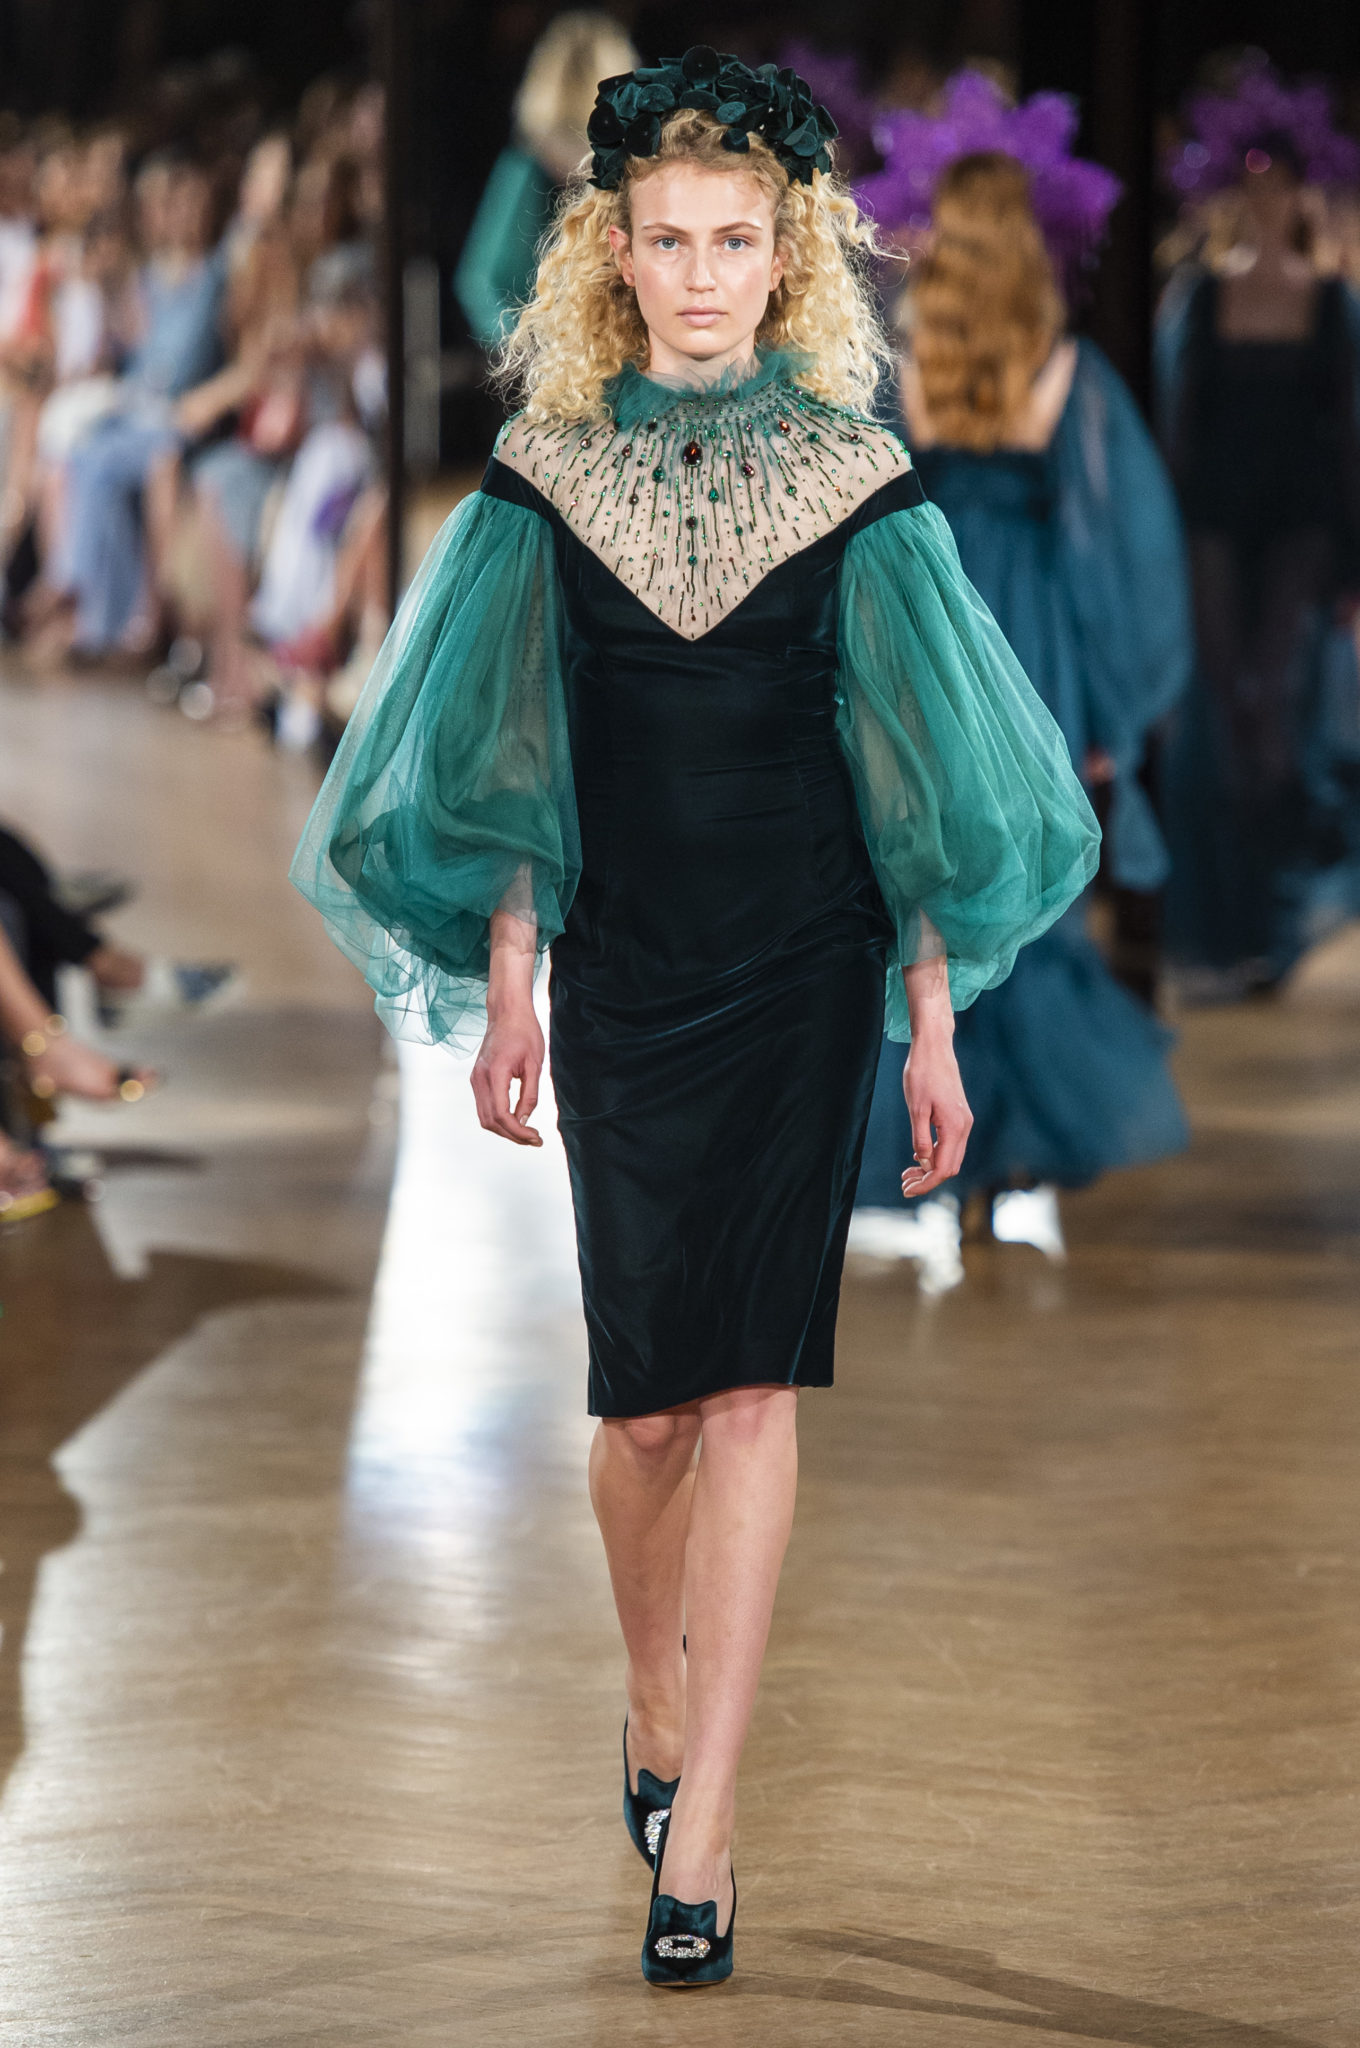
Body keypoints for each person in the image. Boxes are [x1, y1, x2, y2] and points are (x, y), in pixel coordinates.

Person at [292, 48, 1097, 1986]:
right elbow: (508, 751)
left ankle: (707, 1821)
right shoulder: (544, 473)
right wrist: (510, 978)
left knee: (749, 1388)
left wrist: (928, 1014)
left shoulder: (854, 477)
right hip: (628, 970)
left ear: (789, 254)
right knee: (640, 1405)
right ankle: (649, 1696)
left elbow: (911, 771)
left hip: (805, 961)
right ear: (616, 256)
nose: (705, 275)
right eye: (670, 241)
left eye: (738, 241)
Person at [851, 87, 1191, 1277]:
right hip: (1033, 654)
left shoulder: (904, 366)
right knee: (1029, 904)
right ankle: (1008, 1167)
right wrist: (1112, 714)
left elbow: (866, 524)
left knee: (929, 896)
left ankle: (929, 1158)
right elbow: (1119, 554)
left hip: (932, 646)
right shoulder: (1065, 371)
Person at [1158, 55, 1360, 995]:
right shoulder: (1199, 296)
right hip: (1212, 520)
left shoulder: (1332, 304)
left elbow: (1349, 437)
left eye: (1280, 181)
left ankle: (1273, 925)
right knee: (1219, 715)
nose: (1266, 197)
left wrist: (1352, 563)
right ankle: (1228, 927)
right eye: (1252, 181)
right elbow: (1177, 427)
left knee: (1272, 711)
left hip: (1299, 528)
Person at [453, 11, 636, 349]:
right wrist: (531, 352)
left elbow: (479, 283)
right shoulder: (529, 170)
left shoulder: (531, 163)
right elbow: (480, 284)